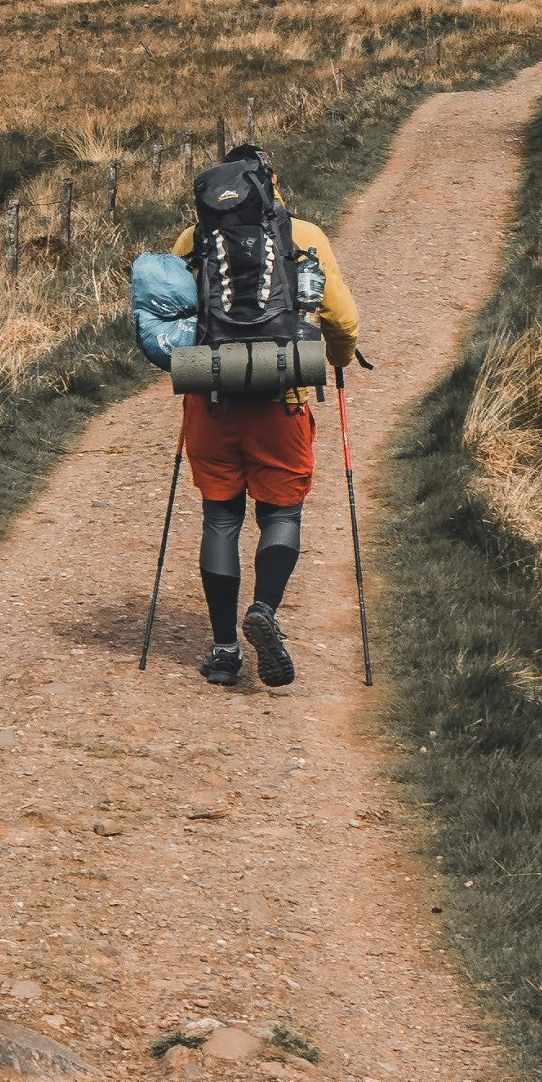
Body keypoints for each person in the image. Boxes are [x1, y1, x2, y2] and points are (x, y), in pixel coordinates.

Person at [165, 140, 359, 689]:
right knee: (281, 516)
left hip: (212, 397)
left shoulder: (193, 238)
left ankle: (225, 649)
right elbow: (342, 321)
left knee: (220, 518)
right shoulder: (304, 236)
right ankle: (266, 610)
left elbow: (177, 320)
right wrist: (336, 363)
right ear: (271, 183)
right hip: (284, 396)